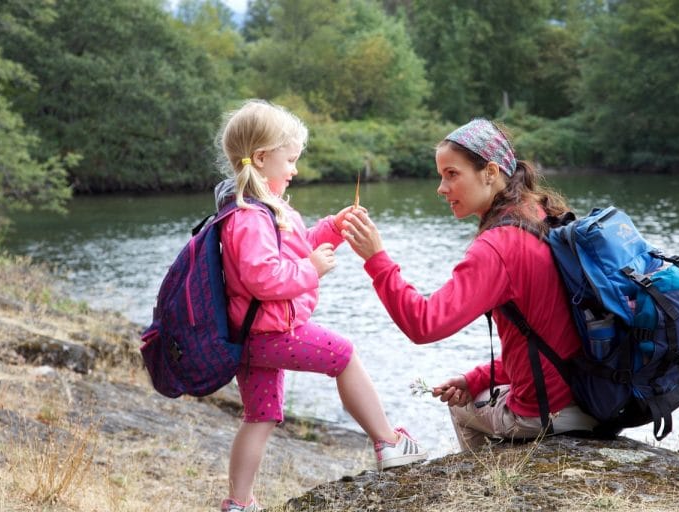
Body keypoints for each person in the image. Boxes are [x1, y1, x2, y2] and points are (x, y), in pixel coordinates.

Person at [213, 99, 427, 512]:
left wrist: (333, 228)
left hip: (252, 335)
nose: (294, 169)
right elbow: (264, 276)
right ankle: (388, 442)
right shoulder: (250, 217)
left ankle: (238, 503)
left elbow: (292, 250)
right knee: (344, 355)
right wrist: (311, 270)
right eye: (289, 160)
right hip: (271, 332)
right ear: (261, 158)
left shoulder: (260, 210)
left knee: (260, 416)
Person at [341, 118, 598, 452]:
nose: (441, 187)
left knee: (462, 407)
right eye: (441, 176)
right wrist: (476, 378)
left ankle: (487, 490)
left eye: (452, 174)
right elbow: (548, 340)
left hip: (547, 411)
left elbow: (424, 324)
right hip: (589, 395)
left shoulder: (499, 245)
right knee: (473, 393)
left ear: (490, 173)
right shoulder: (540, 215)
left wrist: (377, 259)